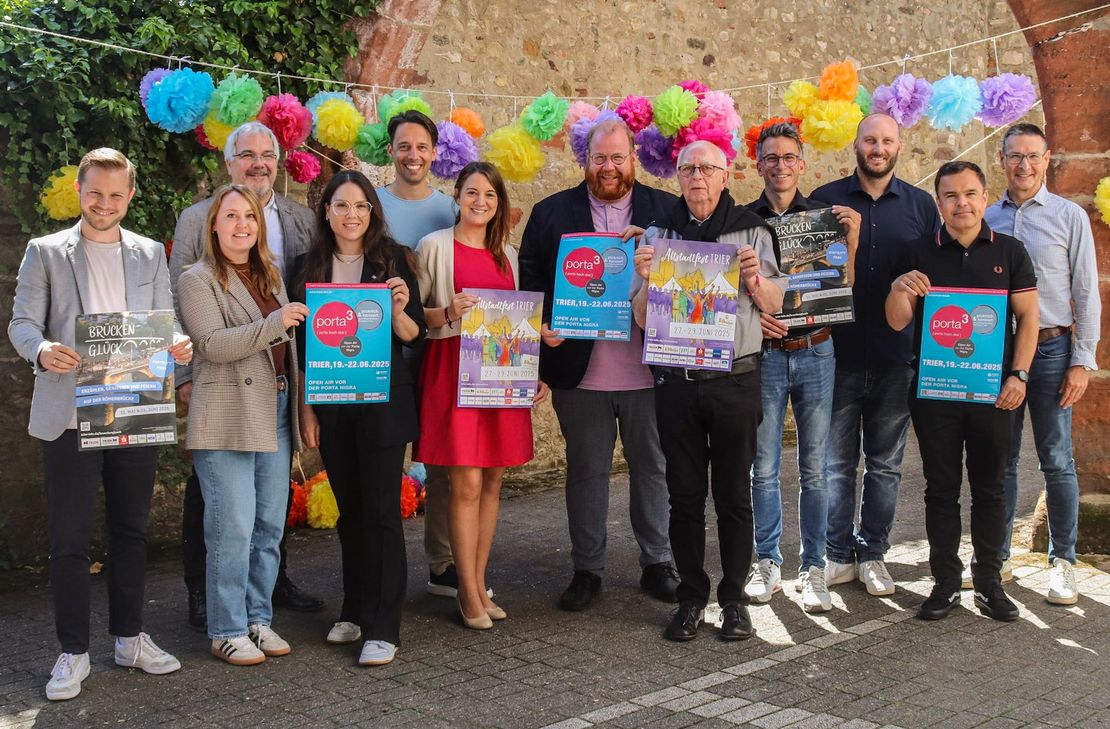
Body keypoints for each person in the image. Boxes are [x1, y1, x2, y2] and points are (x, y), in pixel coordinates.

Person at [9, 148, 190, 700]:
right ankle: (72, 652)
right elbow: (21, 322)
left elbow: (166, 319)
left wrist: (178, 341)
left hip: (134, 403)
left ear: (129, 196)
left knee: (131, 530)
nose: (104, 204)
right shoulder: (45, 252)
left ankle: (129, 637)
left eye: (115, 195)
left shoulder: (147, 254)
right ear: (79, 190)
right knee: (68, 538)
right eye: (95, 193)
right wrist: (41, 350)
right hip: (69, 413)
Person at [519, 117, 680, 612]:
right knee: (585, 472)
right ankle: (587, 569)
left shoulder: (666, 210)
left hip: (649, 371)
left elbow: (692, 276)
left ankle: (658, 563)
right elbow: (529, 286)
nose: (608, 167)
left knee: (653, 468)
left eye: (617, 157)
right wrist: (541, 331)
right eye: (598, 158)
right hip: (579, 373)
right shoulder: (551, 213)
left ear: (633, 158)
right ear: (583, 161)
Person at [632, 141, 787, 641]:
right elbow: (639, 320)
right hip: (676, 382)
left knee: (734, 496)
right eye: (688, 169)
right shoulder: (659, 233)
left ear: (726, 176)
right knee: (684, 495)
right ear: (678, 177)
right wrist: (643, 281)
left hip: (735, 380)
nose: (697, 177)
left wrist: (754, 280)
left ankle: (735, 599)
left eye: (707, 169)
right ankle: (692, 597)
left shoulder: (752, 229)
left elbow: (776, 303)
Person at [170, 121, 321, 629]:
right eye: (247, 154)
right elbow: (189, 317)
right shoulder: (196, 233)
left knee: (267, 523)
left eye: (268, 154)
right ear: (229, 164)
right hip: (225, 395)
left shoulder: (285, 245)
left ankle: (260, 614)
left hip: (277, 399)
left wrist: (303, 398)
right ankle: (220, 615)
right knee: (226, 520)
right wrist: (186, 376)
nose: (259, 163)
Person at [886, 161, 1038, 621]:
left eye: (970, 193)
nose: (961, 203)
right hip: (935, 393)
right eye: (950, 196)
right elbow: (896, 321)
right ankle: (946, 583)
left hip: (995, 394)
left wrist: (1020, 375)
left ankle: (989, 583)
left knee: (991, 489)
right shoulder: (917, 252)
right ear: (939, 203)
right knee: (941, 489)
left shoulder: (1010, 252)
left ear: (985, 196)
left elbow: (1029, 318)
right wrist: (898, 287)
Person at [292, 170, 427, 666]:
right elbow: (301, 350)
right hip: (331, 405)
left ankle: (383, 626)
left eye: (361, 206)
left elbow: (415, 336)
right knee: (350, 511)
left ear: (372, 212)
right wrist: (306, 408)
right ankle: (354, 606)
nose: (352, 215)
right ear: (326, 211)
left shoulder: (391, 259)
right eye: (342, 205)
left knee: (382, 514)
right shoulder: (305, 268)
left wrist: (396, 311)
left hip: (384, 404)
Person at [811, 113, 940, 598]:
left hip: (895, 358)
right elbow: (810, 279)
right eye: (870, 139)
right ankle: (838, 555)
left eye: (887, 140)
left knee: (885, 465)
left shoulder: (921, 206)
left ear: (899, 146)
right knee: (836, 464)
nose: (878, 148)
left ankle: (874, 554)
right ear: (857, 144)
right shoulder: (825, 202)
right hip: (836, 356)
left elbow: (933, 284)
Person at [414, 161, 545, 630]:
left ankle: (479, 579)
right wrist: (448, 310)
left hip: (500, 376)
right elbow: (413, 320)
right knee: (465, 484)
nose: (480, 203)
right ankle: (467, 593)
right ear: (457, 196)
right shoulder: (433, 248)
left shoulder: (506, 255)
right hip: (453, 374)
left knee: (492, 482)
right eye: (472, 193)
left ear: (499, 204)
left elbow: (514, 321)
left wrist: (537, 348)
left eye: (489, 196)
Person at [980, 123, 1101, 605]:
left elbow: (1087, 290)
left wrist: (1083, 359)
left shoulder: (1069, 217)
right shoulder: (986, 217)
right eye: (1014, 156)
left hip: (1052, 351)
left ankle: (1064, 562)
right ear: (1002, 159)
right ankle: (999, 559)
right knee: (1001, 461)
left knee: (1056, 459)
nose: (1023, 165)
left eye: (1032, 156)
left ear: (1047, 159)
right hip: (998, 353)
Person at [744, 121, 861, 613]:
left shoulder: (824, 217)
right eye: (771, 157)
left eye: (789, 157)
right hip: (766, 356)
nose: (781, 166)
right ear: (759, 165)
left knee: (815, 468)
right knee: (763, 468)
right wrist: (755, 321)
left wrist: (851, 241)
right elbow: (730, 289)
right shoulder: (742, 219)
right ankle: (765, 563)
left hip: (816, 350)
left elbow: (843, 288)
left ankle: (813, 568)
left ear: (802, 164)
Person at [374, 110, 464, 600]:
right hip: (385, 347)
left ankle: (442, 561)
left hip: (437, 348)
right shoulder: (374, 205)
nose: (413, 155)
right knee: (386, 461)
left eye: (422, 147)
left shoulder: (449, 209)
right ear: (390, 151)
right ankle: (384, 567)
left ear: (434, 153)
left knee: (442, 461)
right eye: (404, 146)